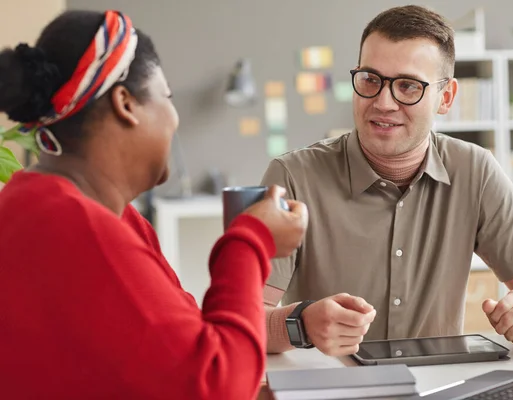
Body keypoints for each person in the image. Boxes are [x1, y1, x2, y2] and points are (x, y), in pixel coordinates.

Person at [0, 10, 308, 399]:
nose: (174, 118)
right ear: (125, 103)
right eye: (167, 97)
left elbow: (184, 340)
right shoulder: (82, 229)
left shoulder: (56, 207)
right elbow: (218, 385)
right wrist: (252, 241)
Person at [261, 5, 513, 357]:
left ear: (445, 98)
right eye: (370, 79)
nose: (383, 102)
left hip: (439, 389)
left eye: (407, 86)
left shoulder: (475, 171)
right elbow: (235, 321)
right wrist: (301, 325)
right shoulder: (292, 177)